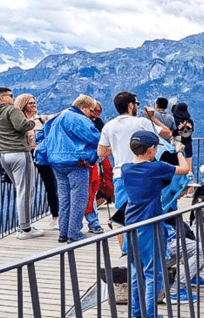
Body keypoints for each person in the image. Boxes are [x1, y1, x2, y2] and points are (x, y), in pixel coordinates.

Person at [122, 131, 190, 318]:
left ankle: (136, 316)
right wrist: (178, 151)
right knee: (154, 272)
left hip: (131, 224)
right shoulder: (155, 168)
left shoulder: (126, 169)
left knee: (137, 271)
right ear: (151, 149)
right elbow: (185, 170)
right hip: (150, 224)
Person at [98, 91, 172, 228]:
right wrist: (152, 117)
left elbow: (101, 152)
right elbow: (167, 133)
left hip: (120, 175)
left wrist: (119, 148)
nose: (137, 106)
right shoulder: (142, 122)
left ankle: (124, 250)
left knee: (121, 218)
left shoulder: (108, 126)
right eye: (136, 104)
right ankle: (144, 247)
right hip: (144, 174)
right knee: (147, 216)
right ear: (131, 105)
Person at [44, 94, 101, 243]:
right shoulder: (78, 118)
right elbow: (95, 138)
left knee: (64, 199)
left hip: (56, 163)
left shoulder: (58, 117)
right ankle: (74, 233)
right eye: (91, 110)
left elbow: (43, 135)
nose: (92, 115)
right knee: (79, 199)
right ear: (83, 107)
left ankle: (63, 233)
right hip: (76, 163)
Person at [0, 87, 42, 239]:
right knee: (26, 191)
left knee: (20, 190)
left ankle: (24, 225)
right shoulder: (12, 110)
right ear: (2, 98)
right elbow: (21, 126)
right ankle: (25, 229)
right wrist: (35, 122)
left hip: (4, 155)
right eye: (10, 95)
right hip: (19, 154)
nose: (13, 98)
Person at [15, 93, 58, 229]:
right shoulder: (18, 121)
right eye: (30, 103)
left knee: (50, 184)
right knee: (27, 188)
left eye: (34, 102)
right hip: (26, 154)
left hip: (42, 155)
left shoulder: (41, 119)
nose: (34, 105)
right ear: (23, 105)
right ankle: (25, 222)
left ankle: (55, 216)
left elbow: (56, 117)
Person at [84, 102, 113, 234]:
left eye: (98, 111)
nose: (96, 114)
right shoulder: (93, 123)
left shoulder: (88, 121)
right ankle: (93, 223)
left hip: (90, 159)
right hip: (92, 159)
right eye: (94, 111)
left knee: (88, 192)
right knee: (89, 192)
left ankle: (92, 223)